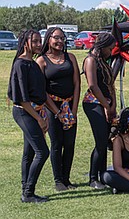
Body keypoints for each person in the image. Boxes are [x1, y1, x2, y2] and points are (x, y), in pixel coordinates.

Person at [35, 27, 80, 191]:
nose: (60, 41)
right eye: (57, 38)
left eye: (63, 38)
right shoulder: (41, 61)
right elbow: (42, 90)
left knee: (69, 144)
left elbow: (77, 83)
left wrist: (73, 110)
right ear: (49, 39)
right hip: (52, 108)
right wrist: (56, 112)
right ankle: (58, 181)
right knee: (56, 143)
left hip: (69, 106)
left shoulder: (71, 57)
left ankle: (67, 179)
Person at [8, 30, 50, 203]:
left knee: (30, 152)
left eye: (40, 41)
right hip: (25, 112)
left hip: (35, 111)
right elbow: (22, 98)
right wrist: (39, 118)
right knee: (42, 152)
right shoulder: (20, 64)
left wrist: (44, 113)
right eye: (35, 42)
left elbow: (40, 92)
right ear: (25, 42)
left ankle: (26, 190)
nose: (39, 44)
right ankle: (28, 192)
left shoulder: (32, 63)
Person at [82, 32, 117, 190]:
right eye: (110, 48)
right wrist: (105, 106)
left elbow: (111, 85)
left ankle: (103, 175)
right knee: (101, 141)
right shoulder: (91, 60)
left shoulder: (104, 61)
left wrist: (113, 105)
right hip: (94, 103)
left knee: (105, 141)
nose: (111, 51)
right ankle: (92, 178)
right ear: (102, 47)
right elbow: (93, 86)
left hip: (107, 104)